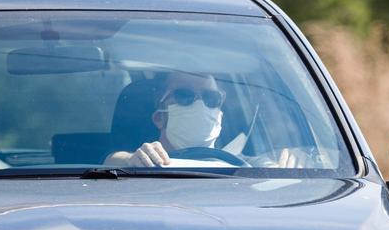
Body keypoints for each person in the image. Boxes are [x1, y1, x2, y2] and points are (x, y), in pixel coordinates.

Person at [104, 71, 303, 168]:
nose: (200, 104)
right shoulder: (145, 161)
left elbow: (274, 176)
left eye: (211, 98)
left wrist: (301, 159)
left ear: (219, 116)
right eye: (185, 96)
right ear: (159, 118)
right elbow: (109, 164)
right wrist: (130, 160)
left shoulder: (247, 167)